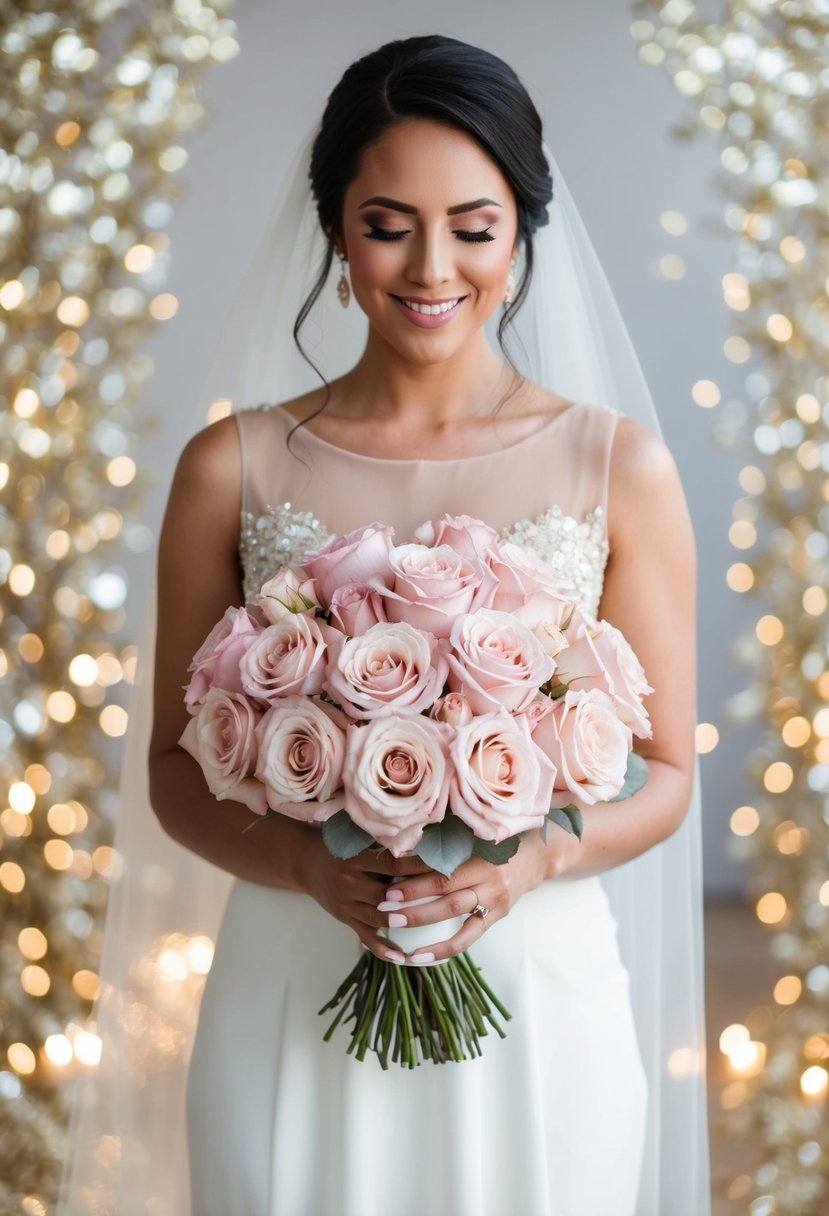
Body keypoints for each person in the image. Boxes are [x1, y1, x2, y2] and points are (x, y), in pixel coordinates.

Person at [59, 34, 710, 1216]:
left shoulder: (619, 465)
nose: (431, 266)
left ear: (522, 232)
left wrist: (533, 861)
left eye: (473, 224)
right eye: (386, 221)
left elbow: (664, 772)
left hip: (538, 993)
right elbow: (168, 768)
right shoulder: (235, 464)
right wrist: (310, 863)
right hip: (292, 980)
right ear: (335, 224)